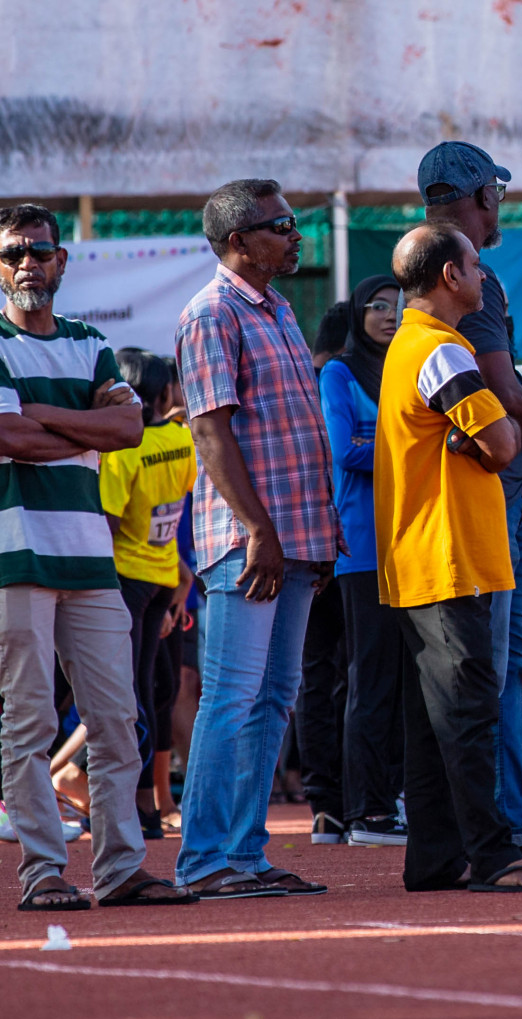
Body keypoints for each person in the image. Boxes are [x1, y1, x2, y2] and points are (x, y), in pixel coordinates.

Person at [0, 203, 194, 909]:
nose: (28, 263)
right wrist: (87, 430)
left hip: (91, 564)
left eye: (39, 251)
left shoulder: (91, 343)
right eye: (15, 252)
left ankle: (119, 870)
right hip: (17, 561)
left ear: (62, 261)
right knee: (29, 724)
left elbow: (129, 426)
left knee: (119, 720)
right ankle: (44, 872)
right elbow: (12, 439)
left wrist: (40, 415)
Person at [373, 222, 522, 893]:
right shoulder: (441, 349)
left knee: (435, 726)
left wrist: (480, 439)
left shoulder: (411, 345)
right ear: (450, 277)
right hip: (449, 559)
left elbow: (491, 439)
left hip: (428, 560)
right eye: (477, 266)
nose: (484, 275)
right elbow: (507, 443)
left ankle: (434, 859)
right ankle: (492, 855)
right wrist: (490, 436)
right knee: (472, 715)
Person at [174, 179, 338, 898]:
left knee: (274, 698)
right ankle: (206, 860)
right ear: (239, 240)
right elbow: (209, 431)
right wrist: (259, 532)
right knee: (234, 697)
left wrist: (314, 540)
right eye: (281, 226)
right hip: (252, 544)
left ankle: (244, 854)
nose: (295, 235)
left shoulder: (275, 311)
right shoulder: (212, 313)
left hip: (296, 541)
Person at [418, 143, 522, 877]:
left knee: (512, 672)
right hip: (486, 505)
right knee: (506, 673)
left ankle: (511, 824)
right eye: (498, 195)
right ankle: (507, 829)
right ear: (483, 197)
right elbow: (504, 397)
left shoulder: (449, 288)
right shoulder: (469, 289)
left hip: (493, 503)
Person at [318, 274, 413, 846]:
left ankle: (393, 799)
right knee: (370, 679)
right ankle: (365, 811)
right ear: (358, 313)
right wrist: (409, 445)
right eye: (377, 306)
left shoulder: (407, 368)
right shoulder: (339, 372)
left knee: (403, 680)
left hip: (412, 541)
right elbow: (342, 449)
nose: (389, 316)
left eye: (398, 306)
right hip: (362, 544)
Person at [98, 348, 197, 839]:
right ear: (164, 393)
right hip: (166, 581)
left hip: (126, 581)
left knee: (130, 693)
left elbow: (109, 522)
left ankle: (135, 810)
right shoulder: (183, 441)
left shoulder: (123, 451)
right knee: (155, 692)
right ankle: (147, 810)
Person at [295, 298, 353, 833]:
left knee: (317, 675)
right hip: (337, 544)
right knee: (347, 673)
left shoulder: (303, 380)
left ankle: (325, 805)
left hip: (307, 543)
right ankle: (344, 798)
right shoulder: (338, 379)